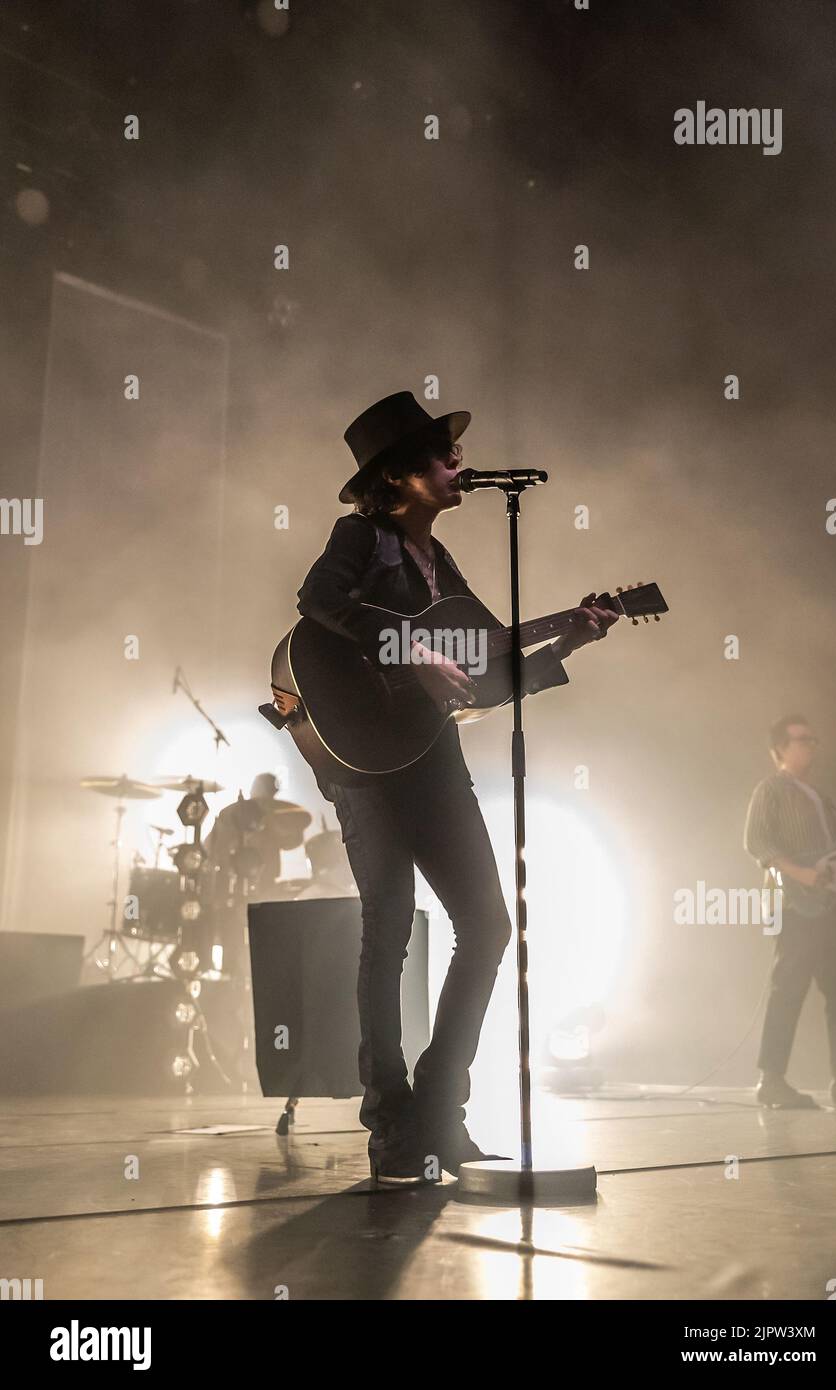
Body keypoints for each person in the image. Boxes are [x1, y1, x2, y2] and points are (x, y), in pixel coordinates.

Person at [292, 391, 619, 1184]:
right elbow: (318, 604)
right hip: (365, 760)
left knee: (490, 926)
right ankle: (390, 1123)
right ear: (400, 476)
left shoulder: (445, 565)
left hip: (431, 754)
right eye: (444, 456)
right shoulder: (361, 537)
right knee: (391, 925)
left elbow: (477, 682)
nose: (460, 466)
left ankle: (441, 1110)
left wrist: (569, 637)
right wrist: (407, 645)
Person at [744, 714, 836, 1111]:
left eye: (813, 739)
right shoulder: (771, 789)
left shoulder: (818, 795)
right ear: (779, 748)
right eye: (801, 739)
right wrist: (804, 875)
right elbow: (758, 841)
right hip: (796, 904)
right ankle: (771, 1082)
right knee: (788, 991)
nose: (810, 745)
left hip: (829, 906)